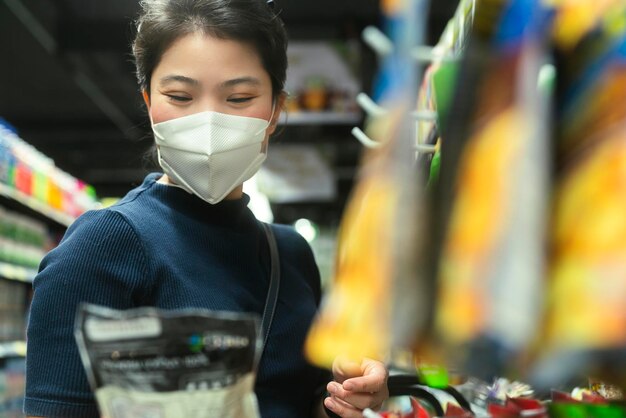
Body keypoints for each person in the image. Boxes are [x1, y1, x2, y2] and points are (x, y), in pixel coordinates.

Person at [24, 0, 389, 417]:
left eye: (239, 97)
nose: (209, 120)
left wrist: (348, 396)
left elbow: (296, 403)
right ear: (148, 103)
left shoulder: (291, 256)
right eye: (180, 96)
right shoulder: (104, 245)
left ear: (275, 111)